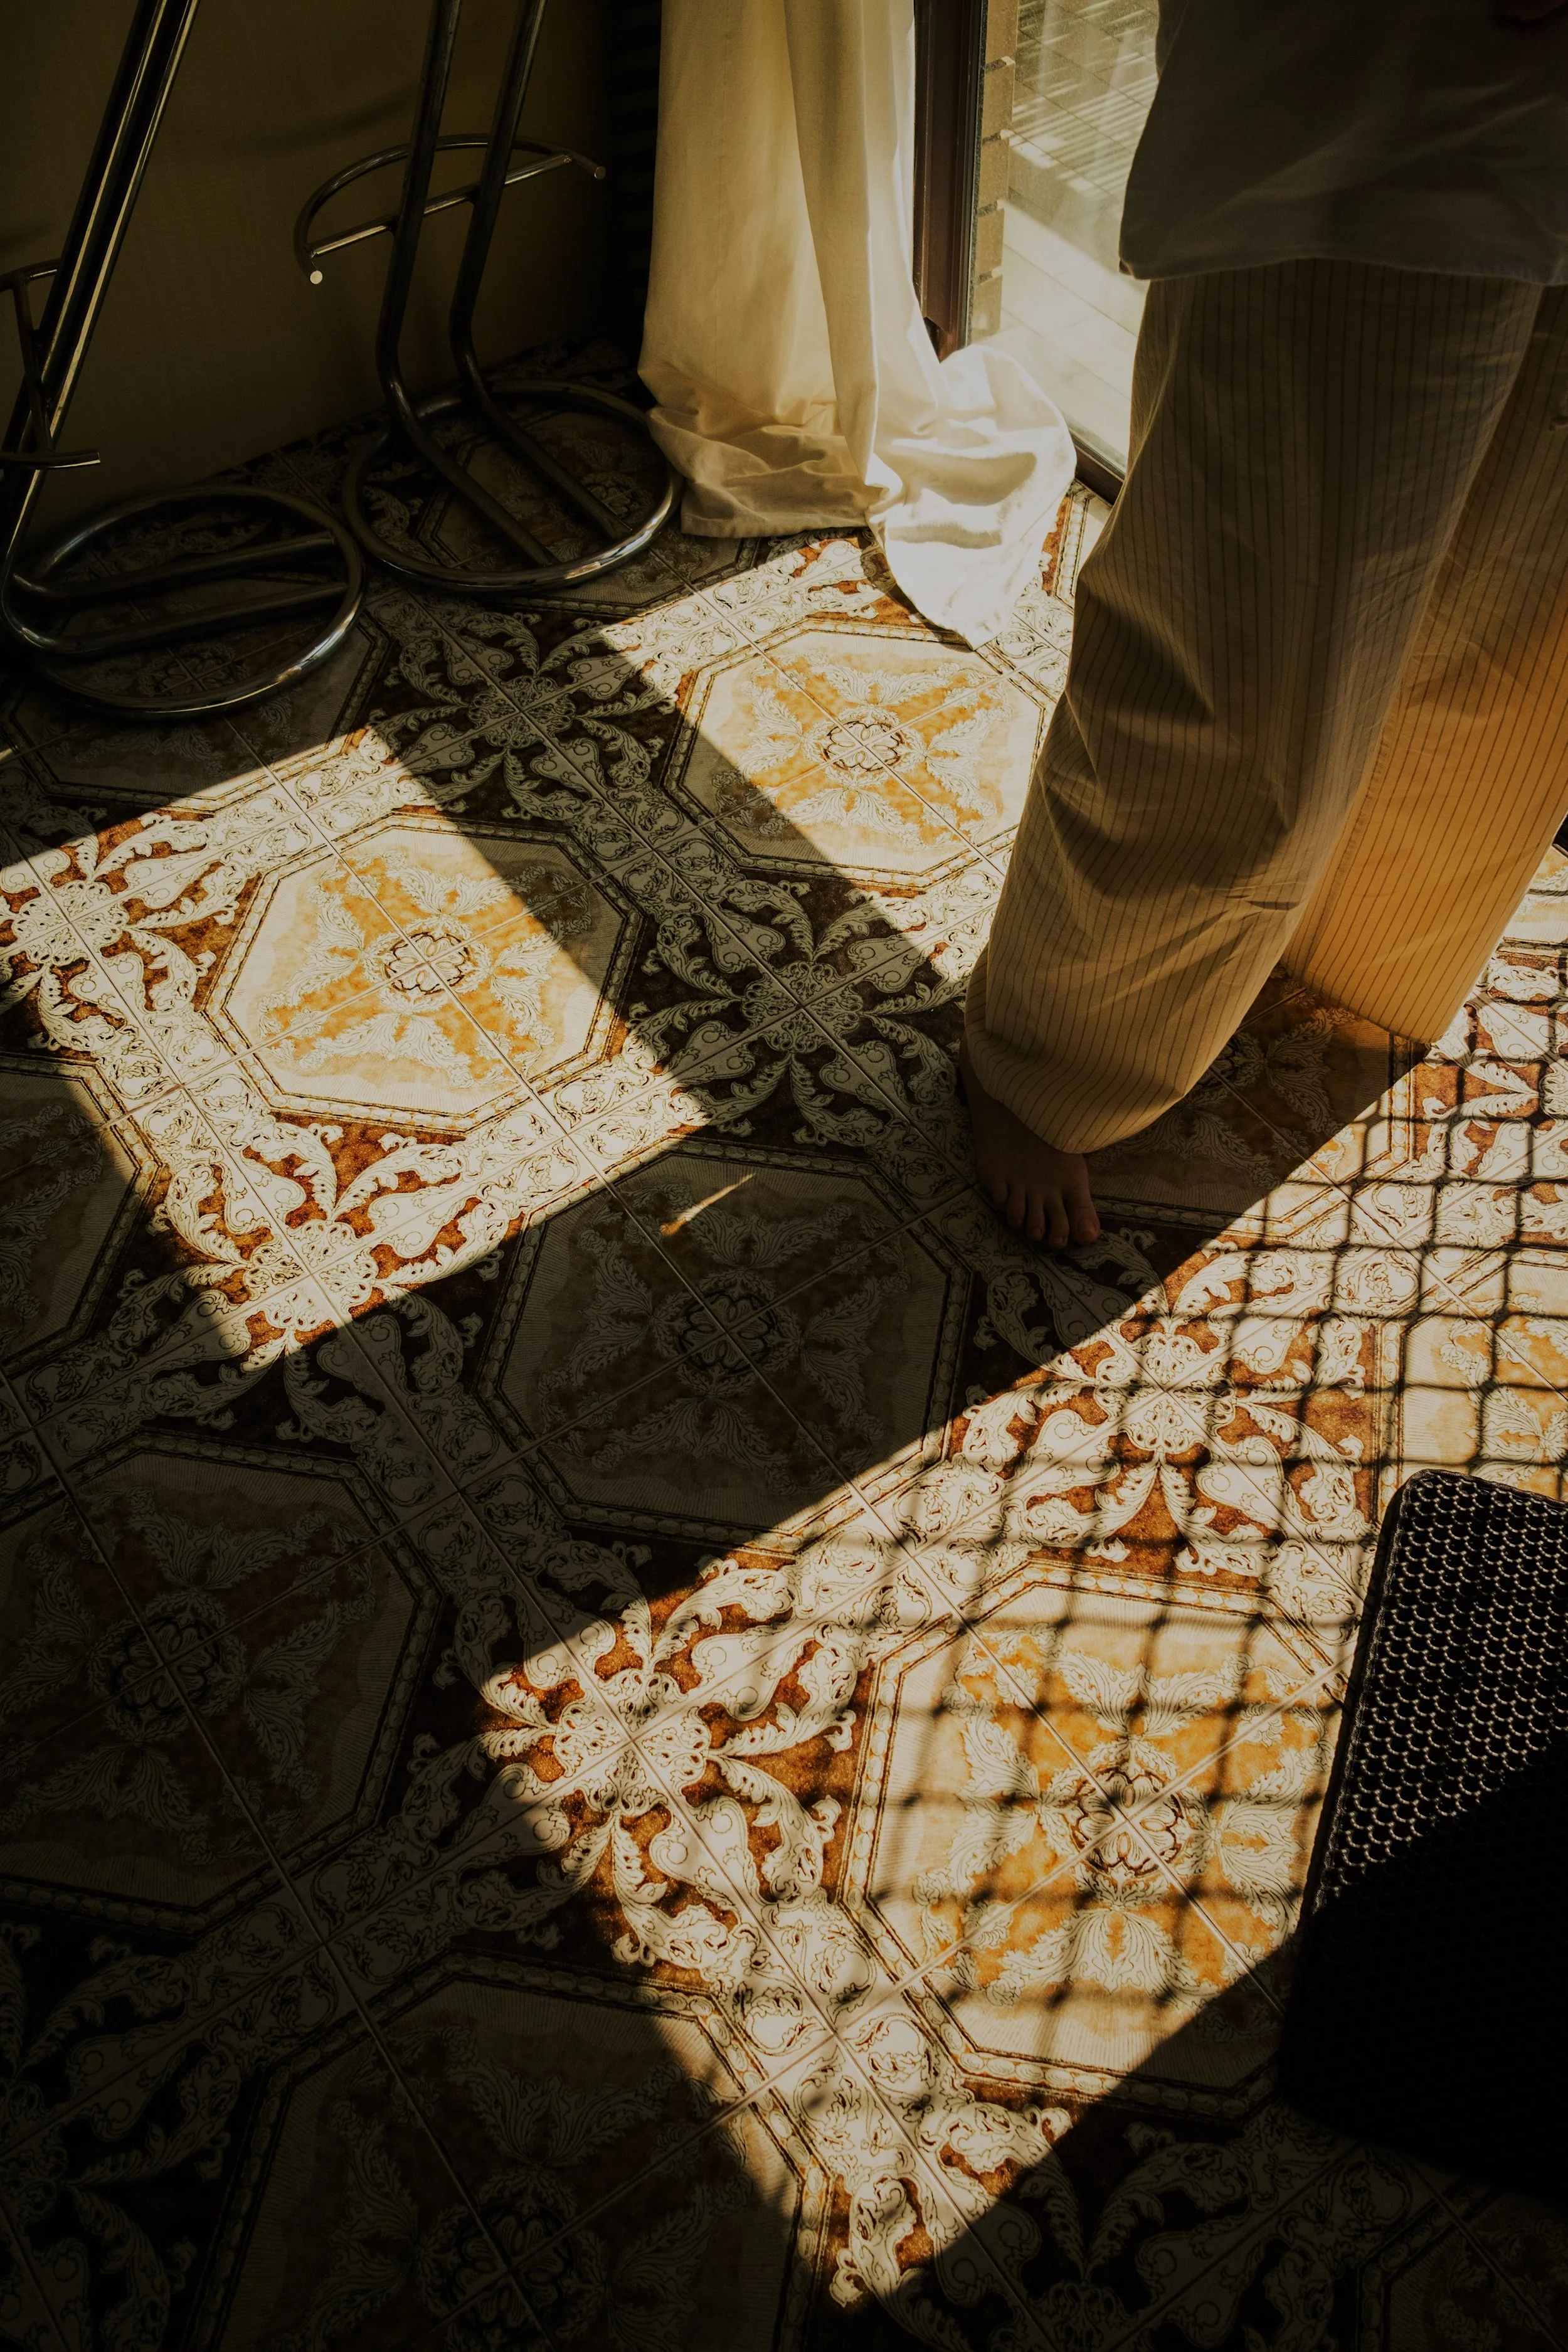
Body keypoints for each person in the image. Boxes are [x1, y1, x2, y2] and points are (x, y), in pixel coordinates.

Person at [961, 0, 1568, 1246]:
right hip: (1388, 109)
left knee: (1513, 625)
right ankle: (1051, 1053)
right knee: (1245, 637)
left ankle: (1360, 944)